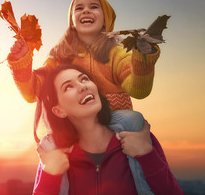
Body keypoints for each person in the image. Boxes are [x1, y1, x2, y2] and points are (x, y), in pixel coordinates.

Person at [8, 0, 161, 194]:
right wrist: (21, 63)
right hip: (74, 126)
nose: (86, 10)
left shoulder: (116, 53)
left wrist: (142, 58)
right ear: (71, 21)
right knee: (50, 142)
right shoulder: (58, 56)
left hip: (113, 122)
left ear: (106, 18)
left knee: (133, 119)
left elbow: (139, 90)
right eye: (78, 8)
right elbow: (33, 93)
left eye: (93, 6)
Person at [32, 64, 183, 195]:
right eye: (68, 86)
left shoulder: (137, 135)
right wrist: (49, 175)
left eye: (84, 79)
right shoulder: (54, 156)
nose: (83, 86)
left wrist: (147, 155)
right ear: (59, 111)